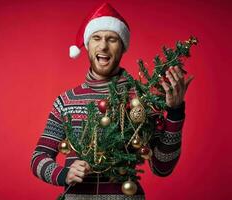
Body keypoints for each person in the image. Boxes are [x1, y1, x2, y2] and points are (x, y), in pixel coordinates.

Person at [31, 2, 193, 200]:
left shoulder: (139, 100)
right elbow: (38, 157)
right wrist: (64, 174)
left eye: (112, 39)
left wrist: (175, 112)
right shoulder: (66, 101)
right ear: (88, 44)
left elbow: (163, 166)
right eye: (96, 38)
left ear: (122, 46)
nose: (103, 46)